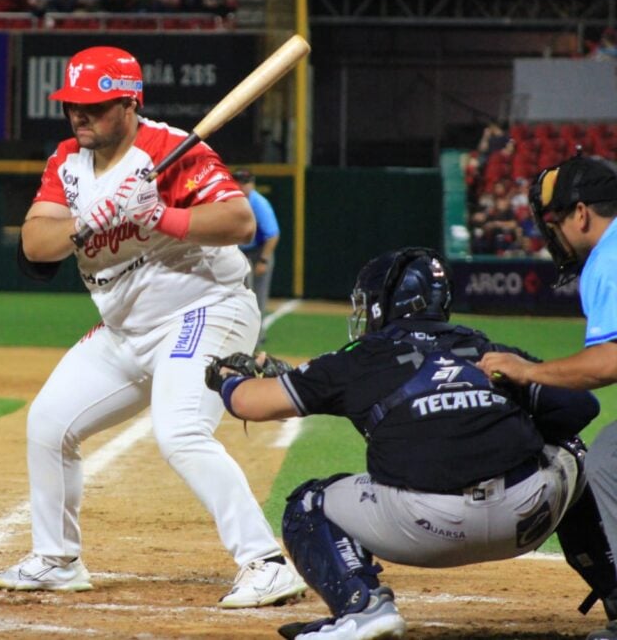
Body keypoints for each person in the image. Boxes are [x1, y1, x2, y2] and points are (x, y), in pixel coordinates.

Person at [0, 46, 307, 608]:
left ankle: (266, 562)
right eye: (72, 105)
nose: (79, 116)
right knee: (48, 424)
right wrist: (89, 219)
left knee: (179, 431)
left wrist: (158, 216)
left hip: (205, 310)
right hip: (126, 328)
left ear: (130, 104)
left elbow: (239, 220)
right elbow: (35, 244)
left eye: (95, 106)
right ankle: (57, 560)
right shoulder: (68, 160)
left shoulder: (173, 150)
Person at [208, 246, 600, 640]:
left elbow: (249, 403)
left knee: (307, 504)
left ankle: (361, 608)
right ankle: (614, 596)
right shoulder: (486, 348)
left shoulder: (358, 358)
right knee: (572, 449)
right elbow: (579, 407)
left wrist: (226, 378)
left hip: (424, 529)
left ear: (384, 303)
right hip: (525, 518)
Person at [478, 155, 617, 640]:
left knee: (609, 460)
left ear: (580, 214)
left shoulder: (609, 256)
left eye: (554, 220)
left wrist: (528, 371)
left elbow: (610, 362)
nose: (553, 233)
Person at [232, 168, 280, 347]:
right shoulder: (230, 200)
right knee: (241, 295)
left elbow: (273, 235)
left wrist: (264, 260)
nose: (241, 186)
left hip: (260, 251)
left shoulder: (259, 203)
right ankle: (243, 334)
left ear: (252, 184)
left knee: (258, 297)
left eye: (245, 182)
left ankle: (256, 339)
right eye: (238, 182)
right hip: (239, 251)